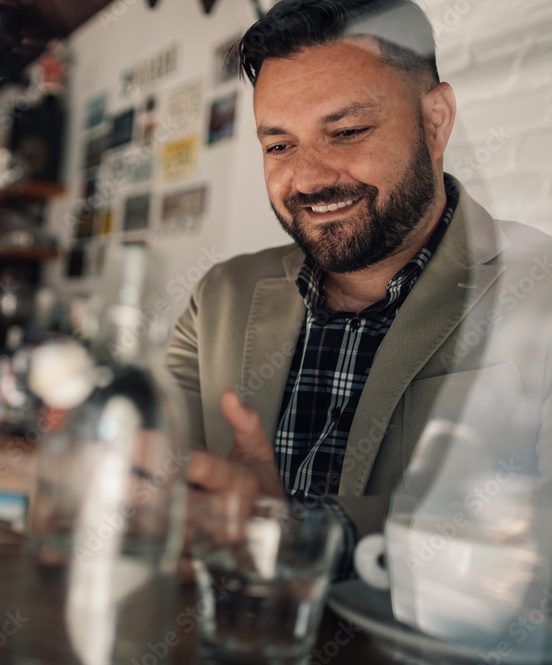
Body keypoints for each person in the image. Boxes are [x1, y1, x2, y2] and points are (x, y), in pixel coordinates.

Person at [166, 0, 552, 570]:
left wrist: (308, 532)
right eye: (278, 145)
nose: (308, 177)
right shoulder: (222, 295)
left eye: (346, 132)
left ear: (436, 121)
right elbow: (153, 480)